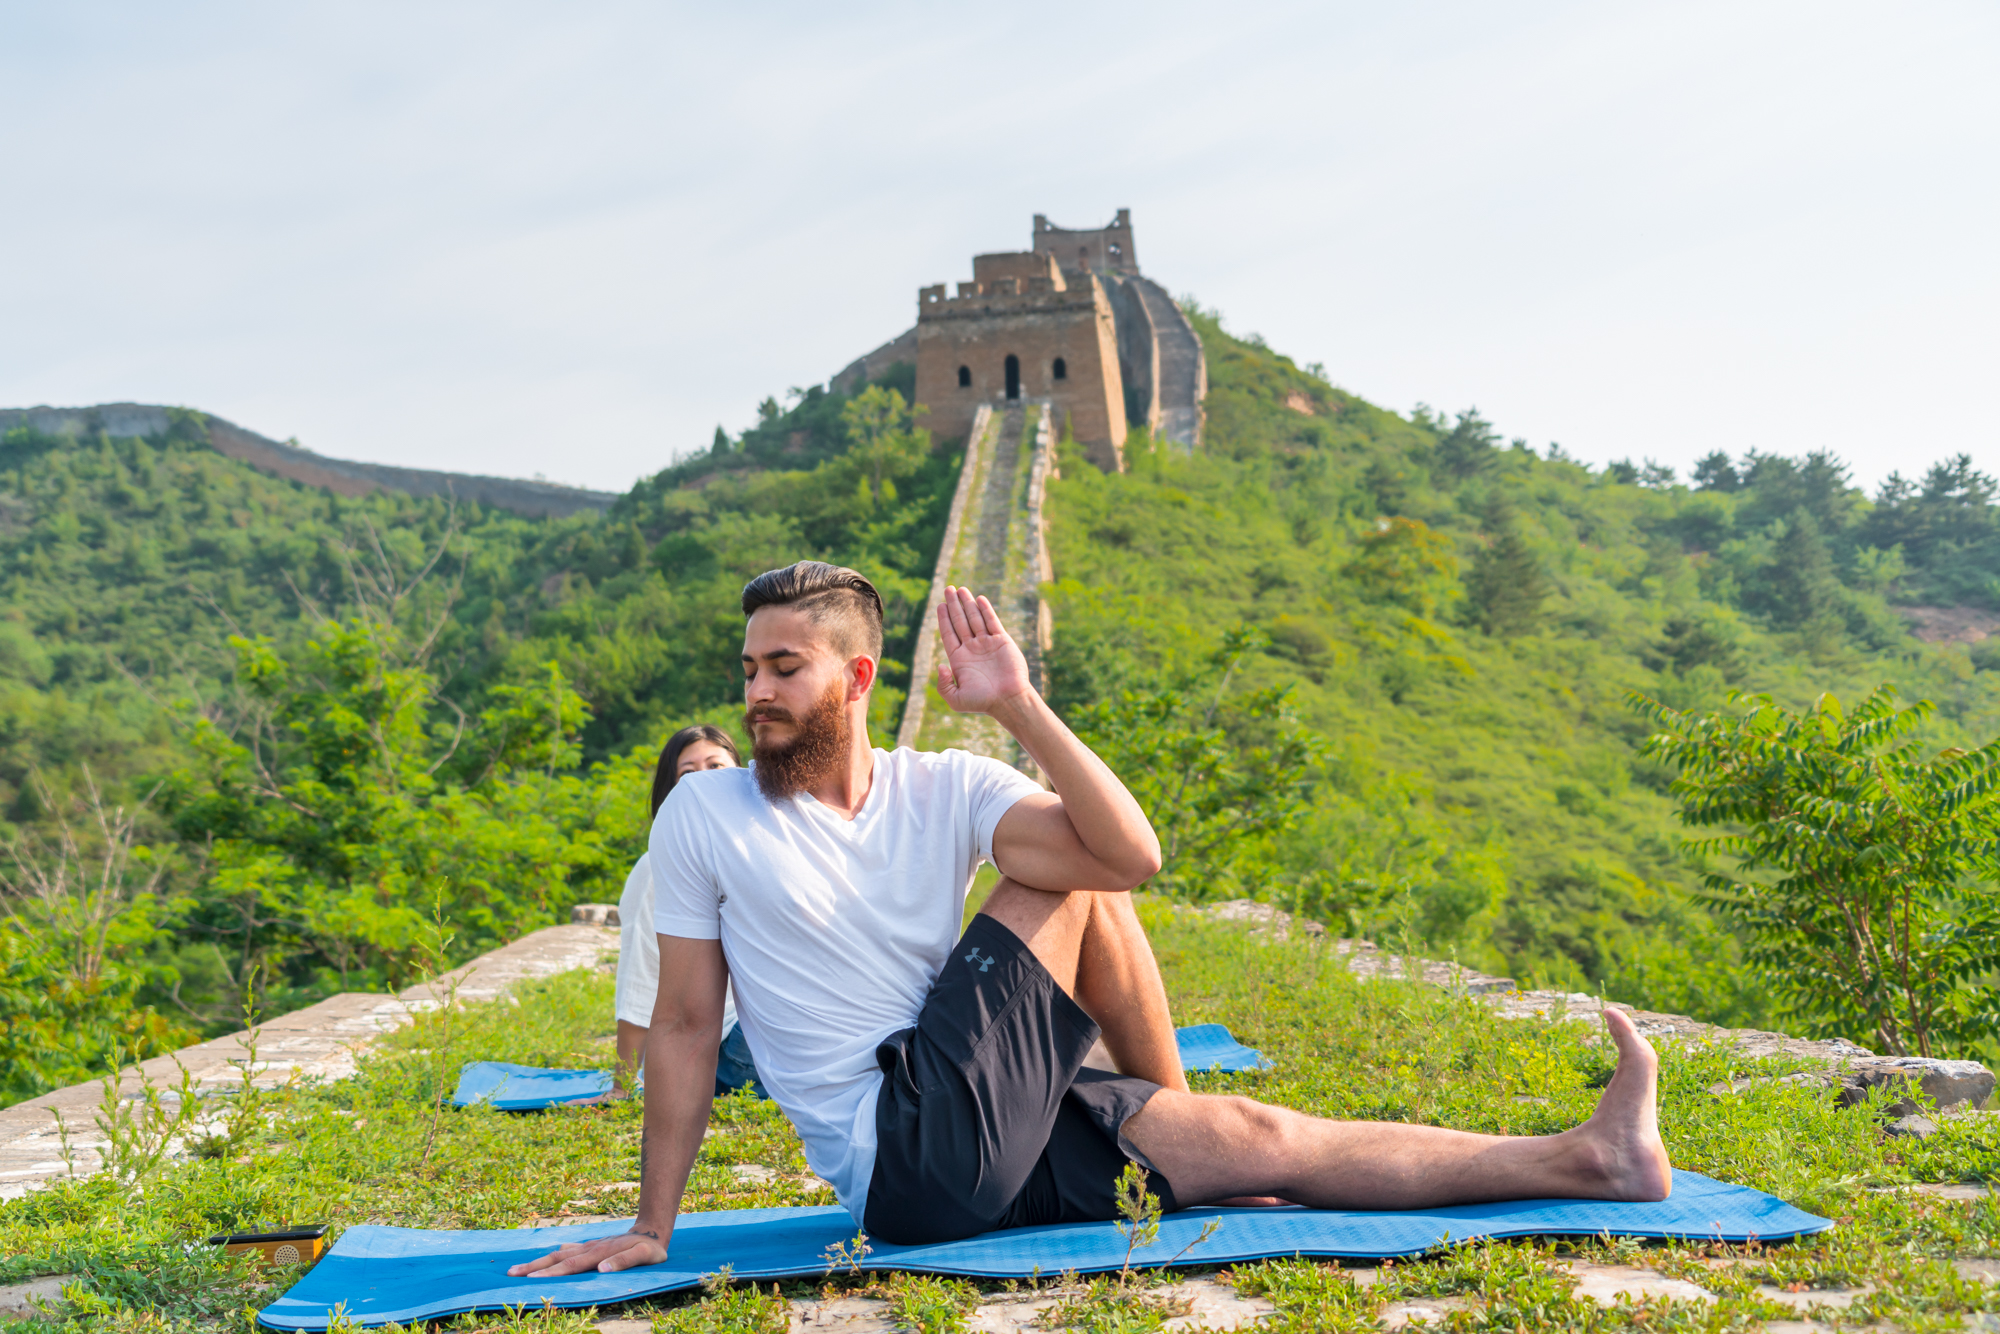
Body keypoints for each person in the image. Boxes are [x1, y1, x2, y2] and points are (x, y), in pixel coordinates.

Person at [514, 561, 1671, 1278]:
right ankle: (1178, 1123)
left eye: (784, 668)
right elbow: (678, 1024)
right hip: (903, 1160)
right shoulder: (708, 814)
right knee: (1060, 881)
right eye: (749, 668)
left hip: (974, 1124)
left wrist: (1020, 704)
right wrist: (650, 1223)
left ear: (856, 677)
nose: (757, 693)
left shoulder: (945, 787)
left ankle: (1591, 1157)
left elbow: (1131, 852)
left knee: (1262, 1133)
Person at [613, 724, 764, 1098]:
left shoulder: (755, 853)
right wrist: (622, 1086)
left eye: (716, 766)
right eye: (688, 772)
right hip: (722, 1051)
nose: (703, 781)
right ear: (671, 790)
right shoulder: (657, 868)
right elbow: (639, 980)